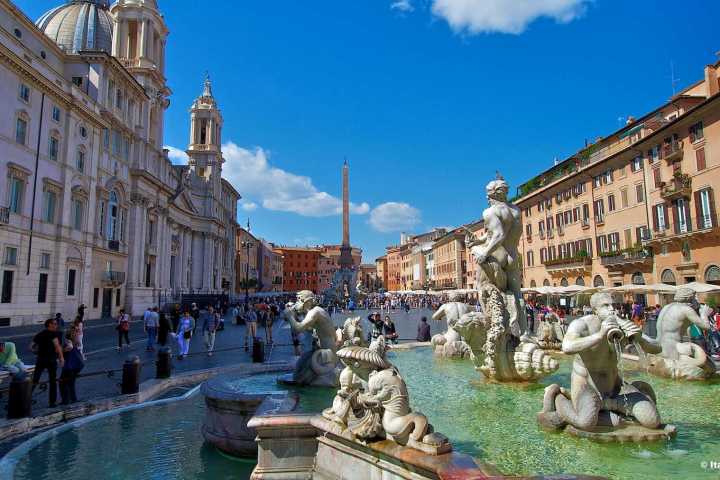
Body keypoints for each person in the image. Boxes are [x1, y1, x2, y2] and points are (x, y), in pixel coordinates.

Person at [31, 319, 65, 408]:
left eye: (56, 324)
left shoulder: (40, 334)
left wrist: (37, 352)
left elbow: (31, 347)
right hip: (51, 360)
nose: (56, 325)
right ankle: (52, 403)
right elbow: (57, 347)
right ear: (49, 325)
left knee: (35, 380)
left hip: (40, 360)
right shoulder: (54, 334)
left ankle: (26, 397)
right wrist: (61, 358)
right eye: (54, 324)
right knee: (53, 381)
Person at [59, 337, 84, 405]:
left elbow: (70, 347)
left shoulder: (65, 341)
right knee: (70, 383)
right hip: (75, 365)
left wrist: (61, 351)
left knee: (63, 383)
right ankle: (72, 399)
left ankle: (66, 400)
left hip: (70, 366)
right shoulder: (68, 340)